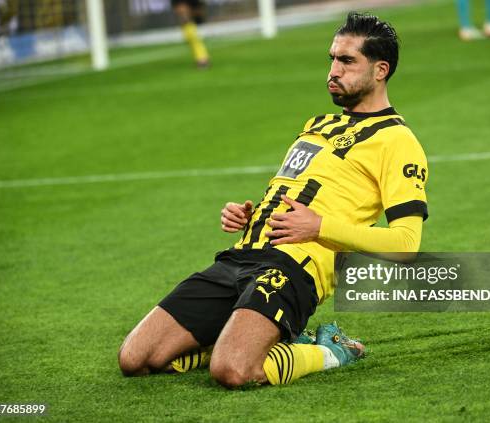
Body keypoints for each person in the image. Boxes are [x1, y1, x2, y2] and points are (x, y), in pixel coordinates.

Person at [118, 12, 429, 388]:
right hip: (240, 257)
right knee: (135, 358)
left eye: (347, 61)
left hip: (295, 269)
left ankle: (332, 350)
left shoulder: (398, 142)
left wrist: (319, 227)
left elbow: (407, 244)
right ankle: (238, 337)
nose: (333, 70)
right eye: (332, 58)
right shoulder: (317, 125)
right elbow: (293, 190)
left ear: (381, 70)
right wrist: (247, 215)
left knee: (232, 371)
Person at [172, 0, 210, 68]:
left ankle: (202, 60)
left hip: (189, 22)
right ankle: (201, 59)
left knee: (193, 39)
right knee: (191, 39)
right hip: (188, 22)